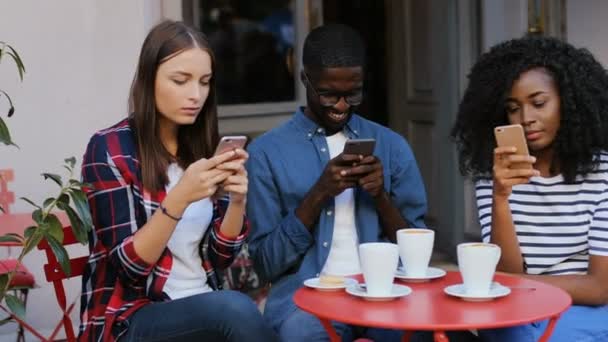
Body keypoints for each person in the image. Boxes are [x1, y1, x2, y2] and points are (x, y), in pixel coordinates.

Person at [78, 20, 278, 342]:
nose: (195, 95)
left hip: (203, 306)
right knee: (236, 310)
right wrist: (179, 199)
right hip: (133, 318)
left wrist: (238, 201)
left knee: (244, 314)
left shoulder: (200, 149)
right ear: (149, 79)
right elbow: (129, 268)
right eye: (180, 81)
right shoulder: (109, 149)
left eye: (204, 82)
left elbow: (219, 257)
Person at [246, 23, 427, 341]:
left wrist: (380, 197)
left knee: (418, 334)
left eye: (353, 93)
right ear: (304, 79)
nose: (342, 106)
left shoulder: (392, 146)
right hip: (306, 304)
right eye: (329, 94)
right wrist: (318, 194)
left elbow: (417, 257)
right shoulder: (266, 154)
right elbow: (265, 264)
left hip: (383, 295)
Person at [451, 35, 608, 341]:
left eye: (539, 103)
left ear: (569, 100)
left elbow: (600, 287)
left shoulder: (603, 172)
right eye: (513, 108)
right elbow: (504, 271)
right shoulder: (494, 175)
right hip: (517, 308)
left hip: (584, 309)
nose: (526, 119)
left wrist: (517, 283)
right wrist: (500, 198)